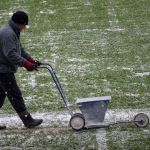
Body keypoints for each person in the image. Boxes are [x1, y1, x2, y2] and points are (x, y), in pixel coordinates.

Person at [0, 11, 43, 130]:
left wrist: (30, 59)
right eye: (24, 25)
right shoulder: (8, 33)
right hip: (2, 70)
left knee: (0, 95)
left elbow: (19, 49)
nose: (24, 28)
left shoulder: (13, 30)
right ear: (18, 23)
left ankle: (27, 120)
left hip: (3, 68)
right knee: (15, 94)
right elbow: (10, 54)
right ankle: (27, 120)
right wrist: (25, 64)